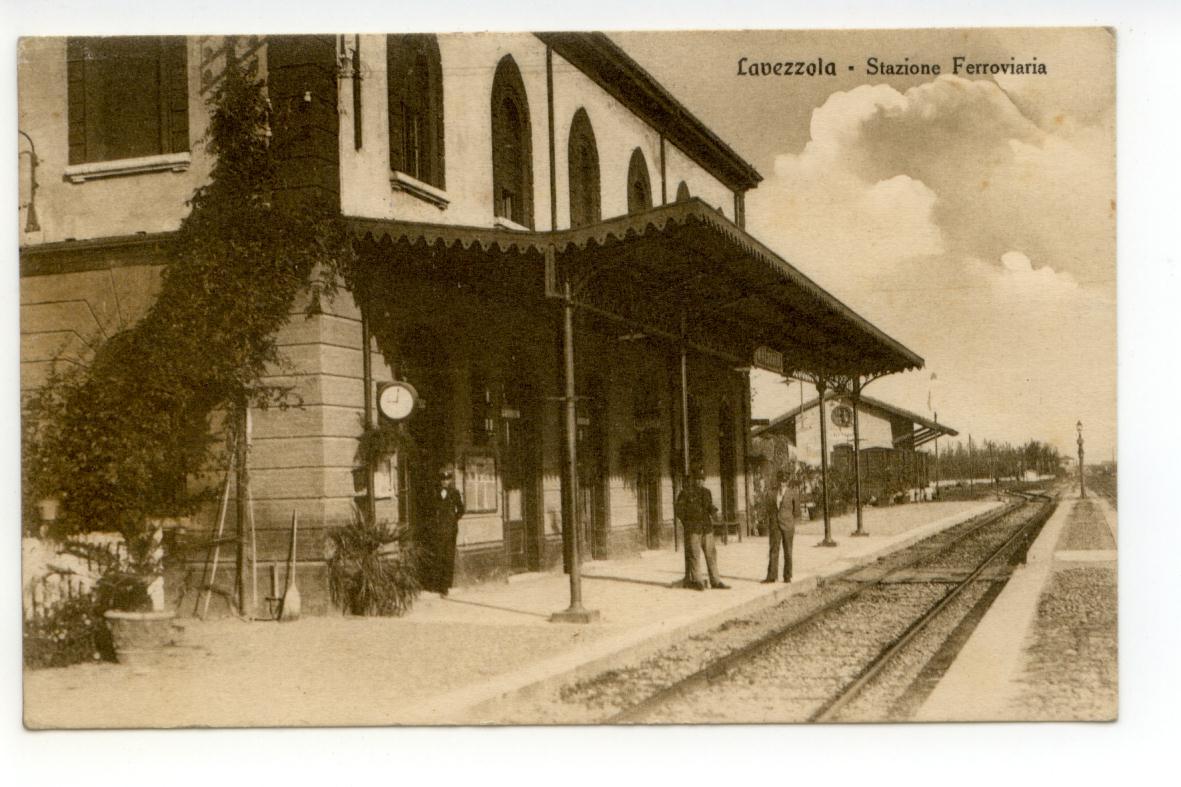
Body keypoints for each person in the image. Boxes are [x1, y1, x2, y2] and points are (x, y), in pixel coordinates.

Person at [674, 464, 730, 591]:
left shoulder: (706, 492)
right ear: (693, 479)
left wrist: (715, 514)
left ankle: (716, 581)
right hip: (693, 529)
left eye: (702, 479)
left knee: (711, 554)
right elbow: (679, 510)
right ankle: (697, 581)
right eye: (697, 479)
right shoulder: (685, 493)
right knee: (694, 555)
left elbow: (709, 506)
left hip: (707, 529)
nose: (700, 481)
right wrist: (687, 523)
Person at [763, 468, 800, 583]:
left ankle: (787, 576)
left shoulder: (793, 493)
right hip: (775, 525)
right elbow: (769, 509)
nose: (782, 483)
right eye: (780, 480)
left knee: (788, 551)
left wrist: (791, 522)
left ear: (787, 481)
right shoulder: (771, 492)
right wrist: (772, 520)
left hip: (788, 525)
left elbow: (797, 511)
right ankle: (771, 576)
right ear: (777, 480)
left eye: (784, 481)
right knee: (774, 549)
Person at [433, 467, 465, 597]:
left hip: (451, 530)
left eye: (447, 479)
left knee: (449, 557)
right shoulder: (435, 492)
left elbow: (461, 509)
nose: (445, 481)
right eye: (443, 479)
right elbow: (431, 509)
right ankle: (439, 585)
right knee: (440, 556)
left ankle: (446, 586)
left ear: (450, 480)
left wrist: (454, 519)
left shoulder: (455, 492)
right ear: (440, 480)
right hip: (440, 529)